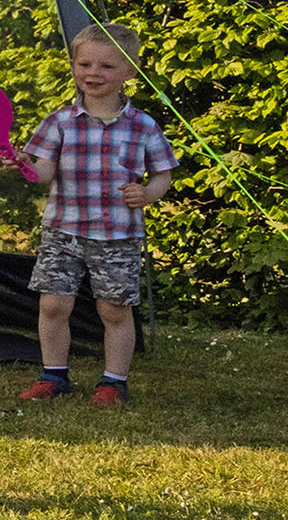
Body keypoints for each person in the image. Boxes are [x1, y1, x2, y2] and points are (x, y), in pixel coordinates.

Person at [17, 23, 176, 408]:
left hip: (118, 235)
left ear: (130, 72)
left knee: (114, 309)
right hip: (62, 231)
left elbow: (163, 175)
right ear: (73, 66)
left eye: (107, 66)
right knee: (53, 304)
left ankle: (114, 381)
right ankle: (54, 375)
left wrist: (147, 193)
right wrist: (22, 165)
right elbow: (43, 174)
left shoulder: (143, 126)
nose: (93, 73)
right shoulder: (59, 122)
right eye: (84, 63)